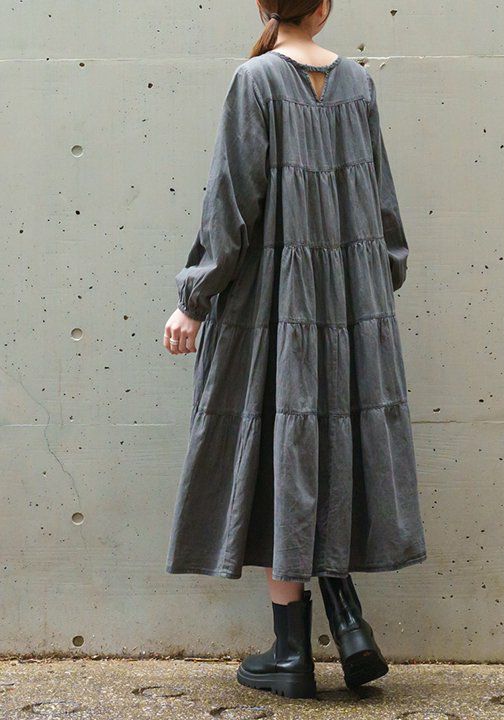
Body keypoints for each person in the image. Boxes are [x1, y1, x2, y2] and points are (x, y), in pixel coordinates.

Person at [163, 0, 427, 699]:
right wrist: (376, 281)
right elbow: (382, 200)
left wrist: (194, 298)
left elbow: (232, 204)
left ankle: (291, 653)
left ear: (262, 5)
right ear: (324, 6)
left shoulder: (254, 82)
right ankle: (348, 622)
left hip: (277, 306)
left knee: (282, 457)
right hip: (352, 304)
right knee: (332, 448)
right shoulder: (358, 82)